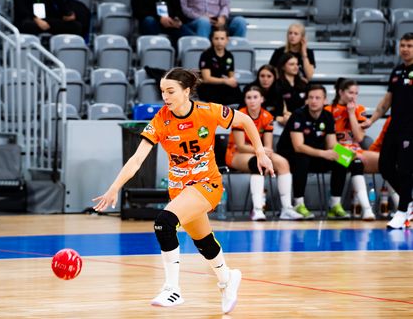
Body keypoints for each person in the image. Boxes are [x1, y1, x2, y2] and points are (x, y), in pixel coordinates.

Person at [93, 68, 274, 313]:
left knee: (164, 223)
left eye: (171, 91)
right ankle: (227, 279)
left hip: (207, 184)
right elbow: (136, 159)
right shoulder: (161, 120)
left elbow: (245, 121)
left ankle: (172, 289)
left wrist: (260, 152)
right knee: (204, 241)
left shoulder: (208, 111)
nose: (165, 97)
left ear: (186, 91)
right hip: (180, 190)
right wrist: (113, 188)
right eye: (162, 92)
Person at [225, 86, 303, 221]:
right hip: (236, 154)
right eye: (249, 98)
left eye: (255, 97)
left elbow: (268, 145)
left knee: (283, 163)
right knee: (258, 164)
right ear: (245, 100)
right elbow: (241, 146)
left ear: (262, 99)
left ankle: (287, 209)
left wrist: (266, 156)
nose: (252, 101)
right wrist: (261, 153)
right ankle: (257, 209)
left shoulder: (267, 116)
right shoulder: (239, 116)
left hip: (259, 152)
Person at [361, 33, 413, 229]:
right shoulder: (397, 71)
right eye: (403, 45)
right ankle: (409, 201)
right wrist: (372, 120)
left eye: (410, 46)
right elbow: (386, 101)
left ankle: (402, 211)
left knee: (406, 169)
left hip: (411, 128)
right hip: (394, 125)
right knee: (385, 166)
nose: (405, 49)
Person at [277, 85, 350, 220]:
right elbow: (298, 146)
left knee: (342, 158)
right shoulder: (298, 115)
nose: (313, 101)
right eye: (310, 98)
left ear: (325, 100)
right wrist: (324, 153)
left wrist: (345, 152)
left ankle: (335, 205)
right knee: (302, 158)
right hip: (290, 156)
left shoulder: (327, 116)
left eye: (317, 98)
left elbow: (331, 144)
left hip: (314, 154)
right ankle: (298, 204)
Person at [324, 78, 376, 220]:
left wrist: (351, 113)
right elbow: (328, 143)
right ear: (341, 92)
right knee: (349, 160)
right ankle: (361, 209)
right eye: (350, 92)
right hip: (335, 149)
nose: (353, 96)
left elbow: (359, 138)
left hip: (356, 150)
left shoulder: (359, 109)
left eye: (356, 93)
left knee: (384, 161)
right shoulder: (328, 110)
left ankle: (400, 206)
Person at [198, 27, 242, 106]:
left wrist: (231, 81)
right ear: (212, 39)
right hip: (209, 87)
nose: (219, 41)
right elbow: (207, 79)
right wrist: (225, 81)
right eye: (216, 38)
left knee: (237, 90)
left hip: (224, 86)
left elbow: (231, 76)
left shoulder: (229, 55)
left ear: (227, 40)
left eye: (222, 38)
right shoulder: (206, 55)